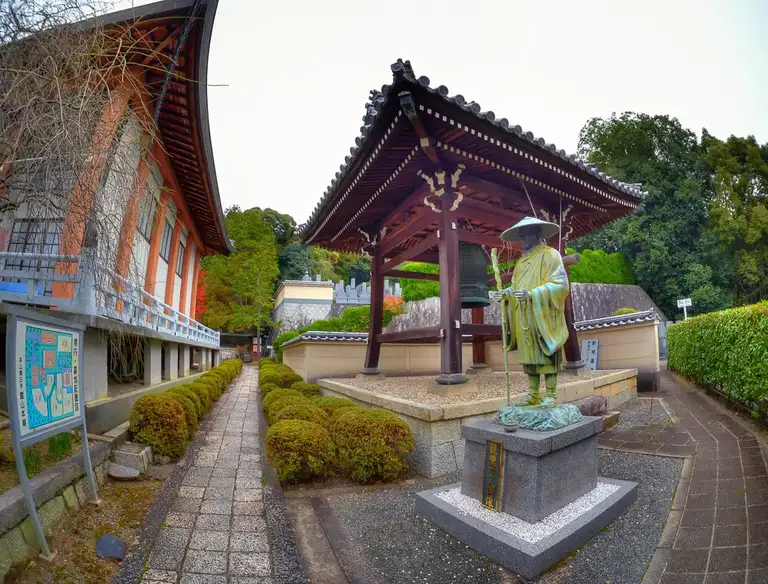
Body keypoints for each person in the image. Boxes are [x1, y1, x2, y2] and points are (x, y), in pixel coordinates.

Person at [489, 217, 569, 408]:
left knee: (546, 352)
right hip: (523, 313)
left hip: (543, 313)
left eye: (527, 235)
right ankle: (533, 394)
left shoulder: (550, 255)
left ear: (537, 234)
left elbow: (560, 284)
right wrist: (506, 295)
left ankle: (551, 395)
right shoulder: (521, 263)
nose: (523, 240)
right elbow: (515, 287)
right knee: (530, 355)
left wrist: (533, 294)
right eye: (521, 237)